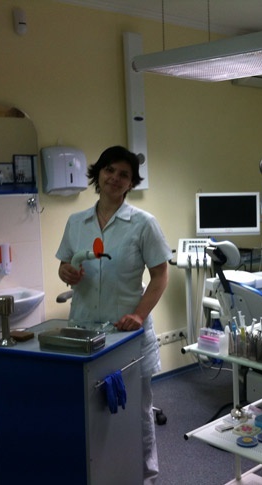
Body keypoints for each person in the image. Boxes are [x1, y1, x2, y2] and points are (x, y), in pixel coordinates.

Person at [56, 145, 171, 484]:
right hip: (84, 332)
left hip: (127, 334)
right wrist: (67, 272)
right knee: (90, 412)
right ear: (98, 174)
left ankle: (145, 476)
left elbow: (160, 275)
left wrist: (139, 315)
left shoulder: (143, 224)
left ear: (131, 183)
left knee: (137, 412)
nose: (115, 178)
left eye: (124, 174)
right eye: (109, 170)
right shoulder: (77, 222)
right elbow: (65, 265)